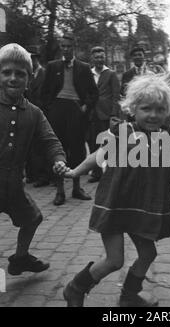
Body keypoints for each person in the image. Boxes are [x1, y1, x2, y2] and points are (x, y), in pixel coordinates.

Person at [61, 74, 170, 307]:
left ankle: (129, 297)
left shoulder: (169, 136)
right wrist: (74, 172)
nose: (153, 115)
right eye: (146, 108)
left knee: (148, 254)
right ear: (133, 109)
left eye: (160, 109)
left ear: (167, 110)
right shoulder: (121, 132)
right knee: (114, 260)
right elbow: (98, 157)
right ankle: (75, 288)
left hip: (144, 207)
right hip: (115, 205)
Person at [0, 43, 67, 276]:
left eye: (20, 74)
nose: (13, 78)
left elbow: (50, 140)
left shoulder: (34, 112)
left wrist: (58, 159)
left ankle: (20, 258)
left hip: (14, 185)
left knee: (33, 218)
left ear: (29, 78)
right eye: (6, 72)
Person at [41, 32, 99, 206]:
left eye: (69, 46)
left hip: (76, 110)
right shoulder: (52, 66)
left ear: (74, 47)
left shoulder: (83, 67)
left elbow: (94, 93)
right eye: (63, 46)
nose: (65, 49)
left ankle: (76, 188)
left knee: (77, 149)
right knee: (59, 149)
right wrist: (50, 108)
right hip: (58, 110)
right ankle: (59, 191)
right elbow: (44, 92)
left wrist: (85, 106)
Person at [87, 46, 121, 183]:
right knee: (92, 143)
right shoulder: (88, 73)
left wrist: (113, 114)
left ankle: (111, 173)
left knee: (108, 143)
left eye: (101, 57)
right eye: (96, 57)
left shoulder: (111, 74)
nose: (99, 60)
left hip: (106, 114)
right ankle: (96, 173)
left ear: (104, 58)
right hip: (91, 114)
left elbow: (116, 96)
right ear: (92, 59)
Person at [25, 45, 51, 188]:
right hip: (28, 114)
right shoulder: (27, 75)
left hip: (42, 114)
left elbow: (48, 95)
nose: (29, 60)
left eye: (31, 58)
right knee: (30, 145)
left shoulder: (45, 74)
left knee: (42, 145)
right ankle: (32, 174)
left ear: (36, 59)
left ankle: (44, 176)